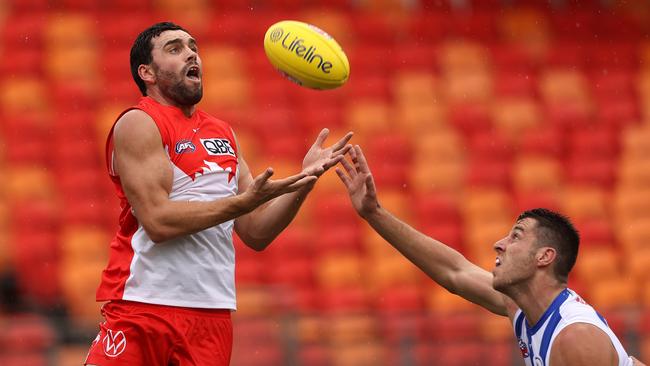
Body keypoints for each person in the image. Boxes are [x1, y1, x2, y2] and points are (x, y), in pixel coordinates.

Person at [84, 22, 352, 366]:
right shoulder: (139, 122)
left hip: (211, 315)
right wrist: (241, 203)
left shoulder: (224, 133)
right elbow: (157, 222)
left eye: (193, 46)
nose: (191, 53)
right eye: (174, 48)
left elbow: (255, 232)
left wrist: (305, 178)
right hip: (144, 306)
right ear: (146, 72)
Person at [335, 145, 646, 366]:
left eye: (517, 236)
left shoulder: (575, 339)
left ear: (545, 257)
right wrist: (374, 214)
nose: (499, 243)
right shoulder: (525, 306)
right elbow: (454, 272)